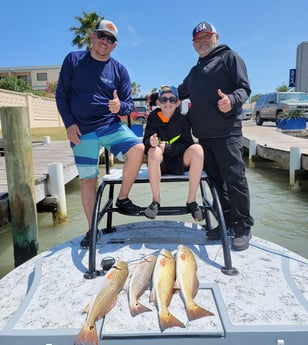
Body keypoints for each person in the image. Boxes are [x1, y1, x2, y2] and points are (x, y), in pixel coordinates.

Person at [56, 19, 144, 248]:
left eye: (111, 39)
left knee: (138, 149)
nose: (105, 41)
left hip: (110, 126)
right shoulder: (73, 60)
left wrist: (119, 107)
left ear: (115, 45)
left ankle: (123, 198)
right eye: (102, 36)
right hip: (82, 131)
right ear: (92, 36)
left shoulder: (120, 70)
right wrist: (69, 124)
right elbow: (61, 96)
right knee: (88, 180)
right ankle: (91, 229)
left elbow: (128, 106)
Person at [177, 21, 254, 251]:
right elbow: (179, 92)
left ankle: (243, 227)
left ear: (216, 37)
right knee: (216, 183)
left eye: (206, 37)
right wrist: (159, 96)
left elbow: (244, 89)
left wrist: (231, 99)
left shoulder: (230, 58)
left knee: (235, 180)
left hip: (227, 133)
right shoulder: (195, 71)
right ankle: (226, 222)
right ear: (193, 44)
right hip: (204, 138)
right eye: (198, 39)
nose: (202, 41)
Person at [143, 85, 204, 221]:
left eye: (172, 99)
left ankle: (192, 202)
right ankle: (156, 201)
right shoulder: (152, 118)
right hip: (160, 164)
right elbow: (145, 142)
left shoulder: (183, 120)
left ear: (178, 102)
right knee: (153, 152)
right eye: (164, 100)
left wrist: (169, 148)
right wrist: (150, 143)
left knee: (198, 150)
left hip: (179, 162)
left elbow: (188, 144)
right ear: (158, 102)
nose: (168, 103)